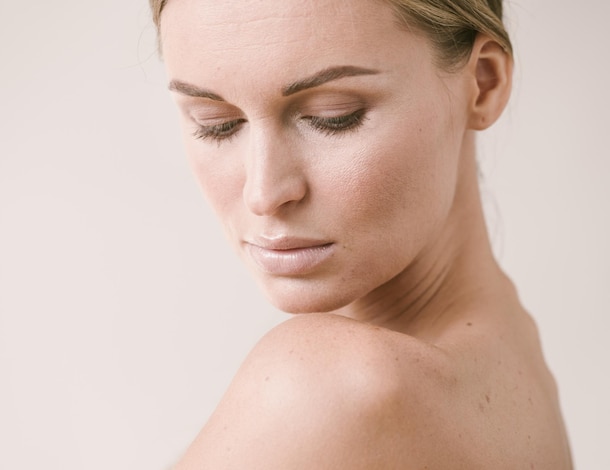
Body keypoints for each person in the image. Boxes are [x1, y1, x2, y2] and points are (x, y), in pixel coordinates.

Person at [150, 0, 573, 467]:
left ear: (484, 84)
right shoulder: (508, 342)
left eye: (335, 116)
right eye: (215, 125)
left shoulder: (327, 386)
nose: (264, 193)